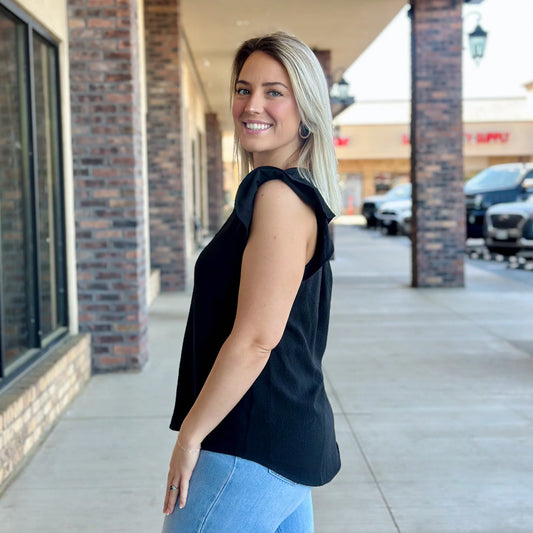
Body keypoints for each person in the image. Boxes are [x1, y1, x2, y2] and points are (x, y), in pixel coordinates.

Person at [162, 31, 341, 533]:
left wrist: (189, 438)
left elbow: (257, 339)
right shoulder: (288, 194)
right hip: (279, 443)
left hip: (249, 445)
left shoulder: (279, 196)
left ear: (305, 110)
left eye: (273, 91)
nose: (251, 105)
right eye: (243, 89)